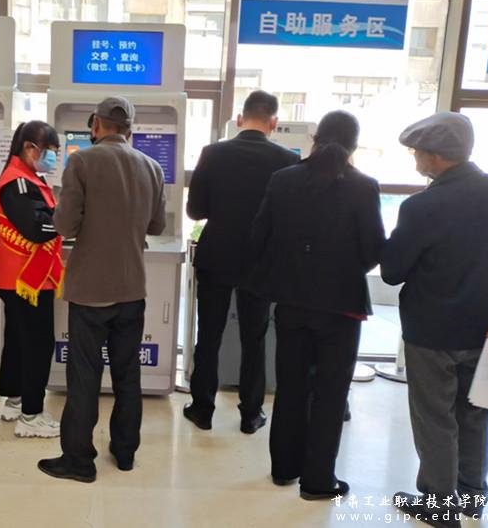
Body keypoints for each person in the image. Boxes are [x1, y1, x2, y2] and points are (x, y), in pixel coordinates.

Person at [251, 111, 385, 500]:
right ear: (354, 145)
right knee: (330, 393)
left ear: (315, 138)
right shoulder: (364, 186)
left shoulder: (283, 179)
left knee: (290, 387)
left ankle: (283, 468)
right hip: (342, 306)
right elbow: (373, 249)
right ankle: (317, 481)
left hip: (291, 300)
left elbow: (260, 237)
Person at [38, 97, 166, 482]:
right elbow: (157, 226)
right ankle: (125, 452)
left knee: (84, 375)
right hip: (132, 287)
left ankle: (78, 460)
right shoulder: (152, 166)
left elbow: (64, 225)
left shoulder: (82, 161)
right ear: (130, 128)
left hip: (90, 289)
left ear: (95, 124)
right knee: (128, 374)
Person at [382, 112, 488, 527]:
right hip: (487, 330)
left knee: (435, 418)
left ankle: (439, 505)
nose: (415, 159)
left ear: (435, 157)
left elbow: (392, 271)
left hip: (432, 332)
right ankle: (472, 496)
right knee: (476, 413)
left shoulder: (421, 207)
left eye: (417, 153)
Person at [184, 90, 299, 434]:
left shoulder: (213, 153)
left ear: (239, 119)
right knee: (255, 337)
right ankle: (250, 413)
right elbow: (287, 216)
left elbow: (195, 210)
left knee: (209, 335)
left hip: (216, 255)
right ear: (273, 122)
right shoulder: (287, 159)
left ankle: (202, 409)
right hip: (260, 261)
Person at [0, 121, 63, 438]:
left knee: (20, 339)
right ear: (30, 148)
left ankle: (15, 400)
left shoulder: (27, 176)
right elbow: (37, 228)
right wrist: (67, 218)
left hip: (20, 274)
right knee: (37, 343)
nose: (53, 157)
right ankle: (31, 416)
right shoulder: (18, 182)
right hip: (27, 276)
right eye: (49, 150)